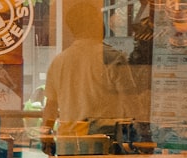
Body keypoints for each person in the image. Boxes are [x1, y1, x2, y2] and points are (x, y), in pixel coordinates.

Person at [42, 2, 140, 135]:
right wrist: (140, 132)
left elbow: (51, 107)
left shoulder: (58, 62)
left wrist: (45, 136)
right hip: (103, 140)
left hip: (68, 141)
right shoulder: (112, 58)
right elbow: (131, 102)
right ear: (96, 24)